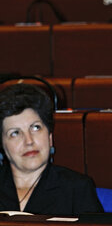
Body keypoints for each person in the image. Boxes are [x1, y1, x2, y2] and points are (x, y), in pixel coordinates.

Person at [0, 84, 103, 215]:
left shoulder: (77, 188)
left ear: (50, 136)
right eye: (15, 133)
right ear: (3, 144)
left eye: (36, 128)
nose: (29, 141)